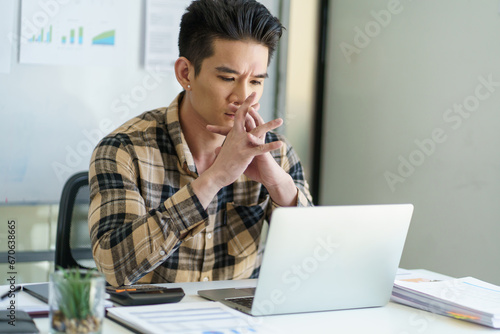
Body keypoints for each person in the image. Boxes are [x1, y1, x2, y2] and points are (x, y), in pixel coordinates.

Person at [88, 0, 313, 287]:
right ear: (186, 74)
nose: (243, 96)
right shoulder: (124, 150)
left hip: (239, 321)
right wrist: (215, 178)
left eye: (256, 81)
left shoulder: (274, 152)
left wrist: (279, 186)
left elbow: (312, 258)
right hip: (146, 320)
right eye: (228, 78)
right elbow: (114, 267)